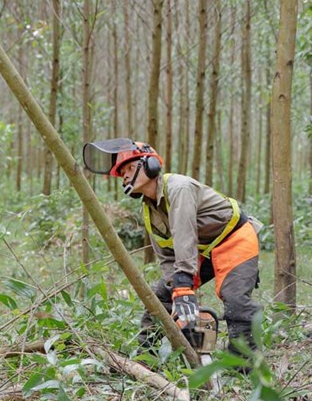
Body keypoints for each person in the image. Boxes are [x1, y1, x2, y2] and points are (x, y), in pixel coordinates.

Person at [83, 138, 262, 359]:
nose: (125, 175)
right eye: (122, 173)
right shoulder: (149, 210)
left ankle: (243, 365)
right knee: (161, 297)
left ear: (150, 165)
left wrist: (185, 286)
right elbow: (167, 256)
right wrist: (175, 291)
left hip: (234, 238)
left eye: (129, 168)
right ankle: (146, 356)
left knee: (235, 300)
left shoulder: (179, 188)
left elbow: (184, 235)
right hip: (202, 250)